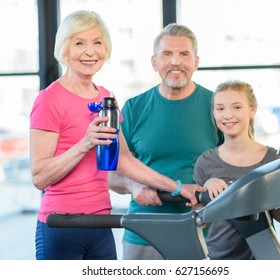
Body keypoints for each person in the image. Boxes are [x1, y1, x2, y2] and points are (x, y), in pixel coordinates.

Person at [29, 10, 202, 260]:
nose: (90, 51)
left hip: (101, 224)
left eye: (97, 42)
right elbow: (40, 176)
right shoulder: (49, 100)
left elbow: (125, 161)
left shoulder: (106, 97)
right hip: (61, 225)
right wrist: (85, 143)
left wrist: (177, 187)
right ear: (65, 49)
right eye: (79, 43)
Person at [108, 23, 223, 260]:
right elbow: (112, 174)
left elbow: (234, 164)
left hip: (202, 230)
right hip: (144, 231)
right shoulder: (133, 108)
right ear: (154, 62)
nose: (175, 62)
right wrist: (133, 186)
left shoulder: (216, 106)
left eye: (184, 54)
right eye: (167, 54)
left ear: (196, 61)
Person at [193, 80, 280, 260]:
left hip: (261, 259)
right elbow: (198, 222)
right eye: (220, 109)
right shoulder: (206, 162)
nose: (227, 115)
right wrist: (207, 187)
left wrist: (264, 193)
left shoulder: (273, 160)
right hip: (218, 261)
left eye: (236, 107)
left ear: (252, 110)